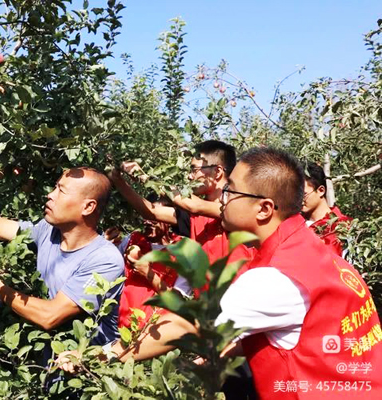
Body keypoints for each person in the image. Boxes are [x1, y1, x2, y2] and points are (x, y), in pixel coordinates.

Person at [60, 148, 382, 399]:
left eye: (230, 192)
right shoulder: (313, 254)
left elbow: (184, 326)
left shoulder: (274, 279)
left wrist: (99, 355)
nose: (222, 200)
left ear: (264, 209)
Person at [0, 159, 124, 346]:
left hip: (89, 369)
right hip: (51, 366)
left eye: (61, 191)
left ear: (88, 207)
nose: (50, 194)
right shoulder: (48, 230)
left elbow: (50, 316)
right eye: (55, 187)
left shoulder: (104, 260)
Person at [108, 140, 236, 261]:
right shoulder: (195, 217)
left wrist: (146, 178)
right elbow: (151, 212)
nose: (189, 176)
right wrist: (118, 181)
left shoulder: (237, 204)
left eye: (194, 170)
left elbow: (194, 205)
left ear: (217, 171)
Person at [302, 162, 352, 256]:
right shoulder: (294, 225)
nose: (299, 200)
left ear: (321, 191)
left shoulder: (345, 227)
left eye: (303, 195)